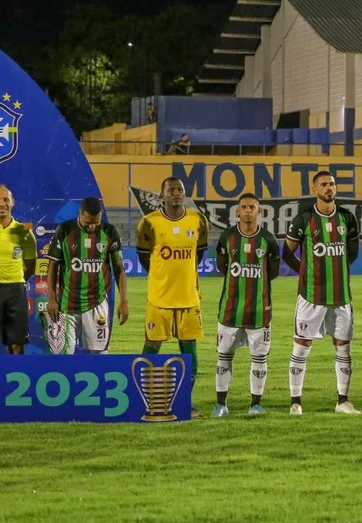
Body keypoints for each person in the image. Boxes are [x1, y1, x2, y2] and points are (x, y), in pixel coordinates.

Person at [281, 171, 361, 416]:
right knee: (301, 347)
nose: (329, 188)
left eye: (332, 184)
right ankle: (296, 402)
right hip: (310, 297)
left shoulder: (347, 217)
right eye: (324, 184)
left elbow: (352, 253)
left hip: (340, 297)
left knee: (343, 347)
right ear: (314, 188)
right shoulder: (304, 218)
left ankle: (343, 401)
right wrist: (305, 273)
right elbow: (287, 253)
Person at [136, 177, 209, 418]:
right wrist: (163, 277)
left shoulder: (198, 221)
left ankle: (184, 402)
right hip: (159, 299)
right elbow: (144, 257)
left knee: (189, 352)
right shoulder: (148, 223)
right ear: (162, 194)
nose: (176, 194)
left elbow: (198, 253)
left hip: (189, 298)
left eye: (179, 190)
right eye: (171, 190)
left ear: (184, 193)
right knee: (152, 346)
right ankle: (141, 400)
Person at [212, 194, 281, 417]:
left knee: (259, 358)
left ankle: (255, 405)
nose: (248, 210)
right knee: (224, 356)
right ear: (238, 212)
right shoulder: (228, 237)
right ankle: (220, 404)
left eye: (253, 207)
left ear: (259, 211)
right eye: (244, 207)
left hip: (259, 310)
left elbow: (273, 272)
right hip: (230, 309)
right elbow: (222, 267)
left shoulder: (268, 240)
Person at [44, 197, 129, 355]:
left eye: (96, 223)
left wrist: (124, 301)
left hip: (97, 302)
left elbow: (119, 269)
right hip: (66, 303)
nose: (91, 227)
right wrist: (51, 299)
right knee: (62, 354)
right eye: (87, 222)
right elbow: (53, 265)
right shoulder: (65, 230)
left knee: (99, 355)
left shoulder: (109, 231)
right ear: (79, 214)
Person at [0, 185, 36, 355]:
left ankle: (16, 378)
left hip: (16, 291)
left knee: (17, 344)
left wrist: (15, 279)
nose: (2, 204)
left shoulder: (23, 233)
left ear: (12, 202)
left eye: (5, 199)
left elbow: (31, 266)